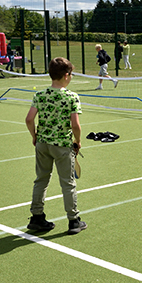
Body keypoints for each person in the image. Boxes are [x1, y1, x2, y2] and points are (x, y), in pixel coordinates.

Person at [25, 57, 87, 234]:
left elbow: (29, 119)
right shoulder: (72, 97)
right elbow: (75, 125)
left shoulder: (40, 95)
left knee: (41, 180)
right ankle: (73, 221)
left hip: (42, 144)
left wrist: (34, 136)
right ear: (66, 75)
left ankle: (36, 217)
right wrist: (78, 141)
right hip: (62, 146)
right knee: (68, 183)